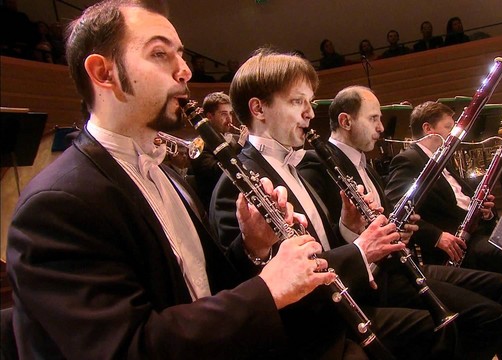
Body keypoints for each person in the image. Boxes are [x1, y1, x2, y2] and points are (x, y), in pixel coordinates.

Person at [6, 1, 336, 358]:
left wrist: (253, 249)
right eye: (160, 54)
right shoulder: (56, 205)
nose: (184, 71)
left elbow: (203, 290)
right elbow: (126, 347)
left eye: (180, 55)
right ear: (103, 73)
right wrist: (267, 291)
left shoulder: (164, 171)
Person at [211, 48, 457, 359]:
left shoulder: (296, 166)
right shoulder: (236, 185)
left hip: (342, 305)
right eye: (297, 101)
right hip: (309, 332)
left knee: (449, 329)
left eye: (309, 103)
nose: (310, 113)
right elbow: (254, 286)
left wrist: (349, 227)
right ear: (258, 109)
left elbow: (322, 246)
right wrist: (360, 250)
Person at [298, 85, 502, 360]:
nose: (381, 128)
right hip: (373, 278)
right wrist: (360, 232)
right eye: (373, 119)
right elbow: (331, 237)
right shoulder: (318, 166)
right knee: (487, 316)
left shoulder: (363, 162)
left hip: (397, 264)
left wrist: (402, 228)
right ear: (346, 122)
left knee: (499, 286)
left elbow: (386, 217)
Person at [385, 101, 502, 354]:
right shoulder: (408, 160)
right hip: (458, 245)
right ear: (428, 128)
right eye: (448, 127)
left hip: (478, 232)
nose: (455, 133)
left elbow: (462, 199)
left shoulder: (443, 157)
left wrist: (484, 210)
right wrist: (436, 236)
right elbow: (396, 207)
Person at [190, 91, 248, 207]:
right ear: (209, 117)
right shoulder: (199, 144)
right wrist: (240, 145)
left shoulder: (235, 139)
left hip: (237, 200)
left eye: (230, 113)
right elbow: (217, 173)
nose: (229, 119)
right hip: (217, 205)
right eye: (223, 114)